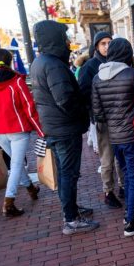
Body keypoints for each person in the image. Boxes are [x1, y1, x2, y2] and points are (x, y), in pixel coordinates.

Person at [30, 20, 99, 235]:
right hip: (64, 128)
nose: (68, 42)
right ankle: (71, 219)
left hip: (57, 126)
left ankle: (71, 210)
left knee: (64, 173)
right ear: (55, 39)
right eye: (64, 38)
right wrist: (81, 113)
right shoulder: (52, 64)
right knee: (69, 174)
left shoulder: (41, 62)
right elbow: (65, 99)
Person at [91, 38, 134, 237]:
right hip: (133, 135)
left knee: (127, 176)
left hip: (114, 137)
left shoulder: (97, 78)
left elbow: (98, 113)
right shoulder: (132, 75)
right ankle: (131, 221)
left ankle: (132, 212)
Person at [0, 48, 43, 216]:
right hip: (17, 129)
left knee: (16, 165)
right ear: (10, 61)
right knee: (16, 165)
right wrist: (40, 130)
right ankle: (9, 202)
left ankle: (31, 188)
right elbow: (29, 107)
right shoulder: (16, 80)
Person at [79, 31, 125, 209]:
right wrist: (96, 110)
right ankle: (108, 191)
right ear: (96, 46)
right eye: (103, 43)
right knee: (107, 158)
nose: (107, 46)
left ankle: (123, 186)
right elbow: (83, 92)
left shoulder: (120, 63)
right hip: (103, 119)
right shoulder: (90, 66)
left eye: (109, 43)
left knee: (121, 156)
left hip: (121, 117)